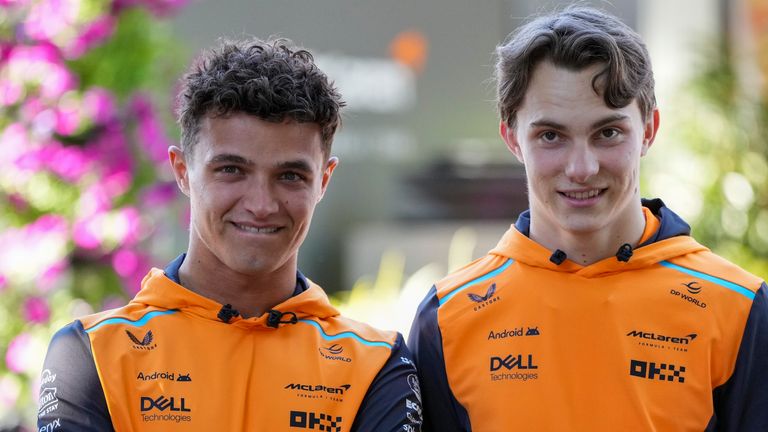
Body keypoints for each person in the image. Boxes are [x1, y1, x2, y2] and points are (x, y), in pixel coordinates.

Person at [409, 6, 768, 431]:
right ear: (511, 138)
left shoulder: (739, 309)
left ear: (649, 130)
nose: (581, 168)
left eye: (608, 132)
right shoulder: (448, 318)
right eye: (551, 136)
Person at [37, 38, 423, 432]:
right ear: (182, 170)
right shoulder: (91, 355)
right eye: (231, 170)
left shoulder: (378, 364)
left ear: (324, 180)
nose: (261, 204)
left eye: (290, 176)